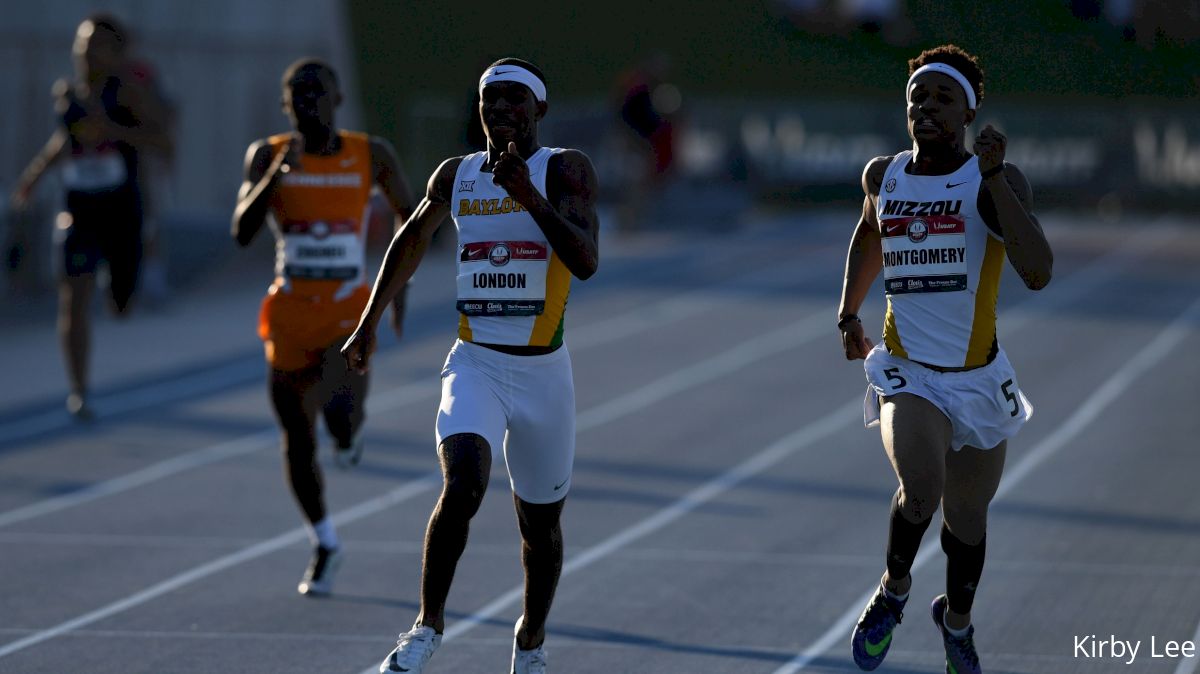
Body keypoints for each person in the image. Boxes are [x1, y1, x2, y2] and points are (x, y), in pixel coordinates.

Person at [340, 57, 600, 674]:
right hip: (476, 362)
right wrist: (367, 323)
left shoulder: (563, 168)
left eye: (515, 102)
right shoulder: (456, 175)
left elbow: (586, 261)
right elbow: (409, 240)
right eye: (490, 101)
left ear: (539, 109)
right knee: (464, 484)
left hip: (543, 374)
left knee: (541, 532)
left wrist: (528, 196)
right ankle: (427, 627)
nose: (501, 111)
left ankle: (530, 639)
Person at [838, 45, 1053, 674]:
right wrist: (849, 313)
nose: (926, 107)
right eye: (917, 97)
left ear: (968, 112)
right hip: (907, 371)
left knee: (967, 517)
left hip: (979, 376)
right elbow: (870, 232)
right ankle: (894, 592)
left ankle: (956, 622)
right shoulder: (886, 175)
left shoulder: (995, 181)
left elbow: (1037, 272)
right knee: (923, 488)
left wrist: (992, 177)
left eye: (942, 98)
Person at [231, 58, 414, 596]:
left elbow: (413, 219)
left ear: (338, 99)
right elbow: (241, 232)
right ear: (285, 104)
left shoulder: (371, 154)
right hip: (289, 312)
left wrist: (397, 289)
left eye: (318, 92)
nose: (308, 101)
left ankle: (351, 429)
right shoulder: (268, 154)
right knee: (296, 437)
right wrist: (273, 176)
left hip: (347, 309)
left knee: (338, 413)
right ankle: (325, 541)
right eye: (297, 94)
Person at [9, 13, 172, 419]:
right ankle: (78, 390)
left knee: (120, 305)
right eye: (79, 48)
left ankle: (118, 287)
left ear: (115, 54)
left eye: (94, 48)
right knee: (73, 297)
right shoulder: (68, 94)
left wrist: (114, 133)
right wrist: (32, 177)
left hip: (122, 209)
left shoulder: (131, 93)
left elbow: (161, 139)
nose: (84, 55)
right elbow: (63, 141)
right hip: (79, 208)